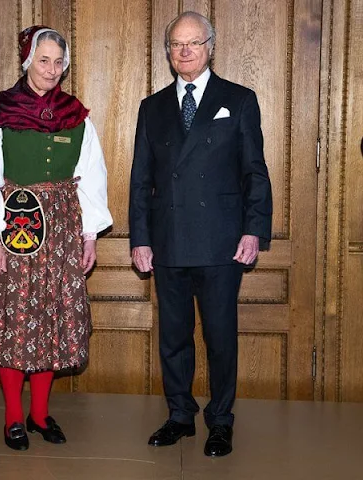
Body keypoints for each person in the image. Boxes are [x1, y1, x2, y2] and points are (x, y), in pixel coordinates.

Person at [129, 11, 272, 457]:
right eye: (176, 44)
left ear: (211, 46)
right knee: (173, 336)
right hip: (168, 240)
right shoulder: (152, 107)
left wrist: (254, 231)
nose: (185, 51)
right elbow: (140, 179)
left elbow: (255, 173)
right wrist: (140, 238)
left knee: (219, 336)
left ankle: (221, 420)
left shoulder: (240, 99)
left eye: (193, 42)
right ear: (168, 53)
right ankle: (179, 415)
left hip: (220, 241)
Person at [0, 25, 113, 451]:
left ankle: (39, 414)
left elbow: (92, 176)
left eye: (58, 62)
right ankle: (13, 417)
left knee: (51, 317)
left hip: (63, 230)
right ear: (27, 61)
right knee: (17, 319)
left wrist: (90, 234)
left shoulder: (76, 115)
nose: (51, 70)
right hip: (16, 225)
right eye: (43, 60)